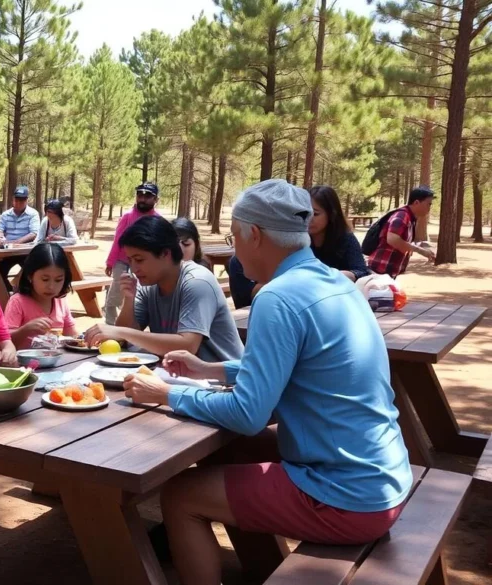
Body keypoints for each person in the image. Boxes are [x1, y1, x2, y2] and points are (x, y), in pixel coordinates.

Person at [121, 179, 412, 585]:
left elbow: (248, 413)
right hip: (384, 476)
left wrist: (167, 393)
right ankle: (260, 565)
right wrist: (211, 370)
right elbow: (299, 369)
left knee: (180, 496)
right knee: (231, 452)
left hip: (347, 495)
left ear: (253, 235)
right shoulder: (335, 283)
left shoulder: (277, 297)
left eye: (233, 236)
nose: (234, 249)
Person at [85, 216, 244, 363]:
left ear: (165, 254)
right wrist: (129, 299)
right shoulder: (148, 283)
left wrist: (120, 332)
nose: (133, 268)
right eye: (130, 260)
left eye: (139, 260)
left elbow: (188, 346)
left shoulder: (197, 282)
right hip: (182, 377)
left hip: (224, 381)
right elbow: (127, 336)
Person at [229, 185, 372, 309]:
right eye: (303, 213)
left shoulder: (344, 239)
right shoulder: (295, 246)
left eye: (315, 214)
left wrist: (343, 275)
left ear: (331, 215)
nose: (308, 219)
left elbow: (361, 271)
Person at [104, 182, 161, 325]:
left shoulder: (157, 220)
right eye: (140, 195)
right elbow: (118, 239)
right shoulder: (128, 216)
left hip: (145, 263)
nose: (143, 199)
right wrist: (110, 262)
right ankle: (110, 323)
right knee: (117, 289)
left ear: (155, 200)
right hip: (122, 260)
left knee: (139, 291)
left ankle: (132, 323)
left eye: (148, 196)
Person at [4, 243, 79, 350]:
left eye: (58, 280)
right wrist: (25, 330)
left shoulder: (60, 302)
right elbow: (4, 341)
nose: (51, 286)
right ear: (30, 276)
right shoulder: (18, 302)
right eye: (45, 279)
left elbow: (72, 335)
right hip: (26, 364)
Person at [368, 185, 437, 278]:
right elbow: (392, 239)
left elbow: (402, 242)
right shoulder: (402, 215)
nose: (429, 208)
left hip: (386, 271)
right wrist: (420, 251)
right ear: (416, 202)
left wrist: (422, 249)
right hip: (379, 270)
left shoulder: (409, 218)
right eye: (428, 204)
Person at [0, 185, 40, 286]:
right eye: (17, 199)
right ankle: (8, 293)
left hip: (25, 251)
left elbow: (33, 233)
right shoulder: (5, 215)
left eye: (22, 200)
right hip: (7, 252)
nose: (19, 202)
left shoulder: (33, 214)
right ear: (13, 199)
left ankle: (23, 292)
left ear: (27, 200)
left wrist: (17, 243)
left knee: (31, 273)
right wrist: (0, 238)